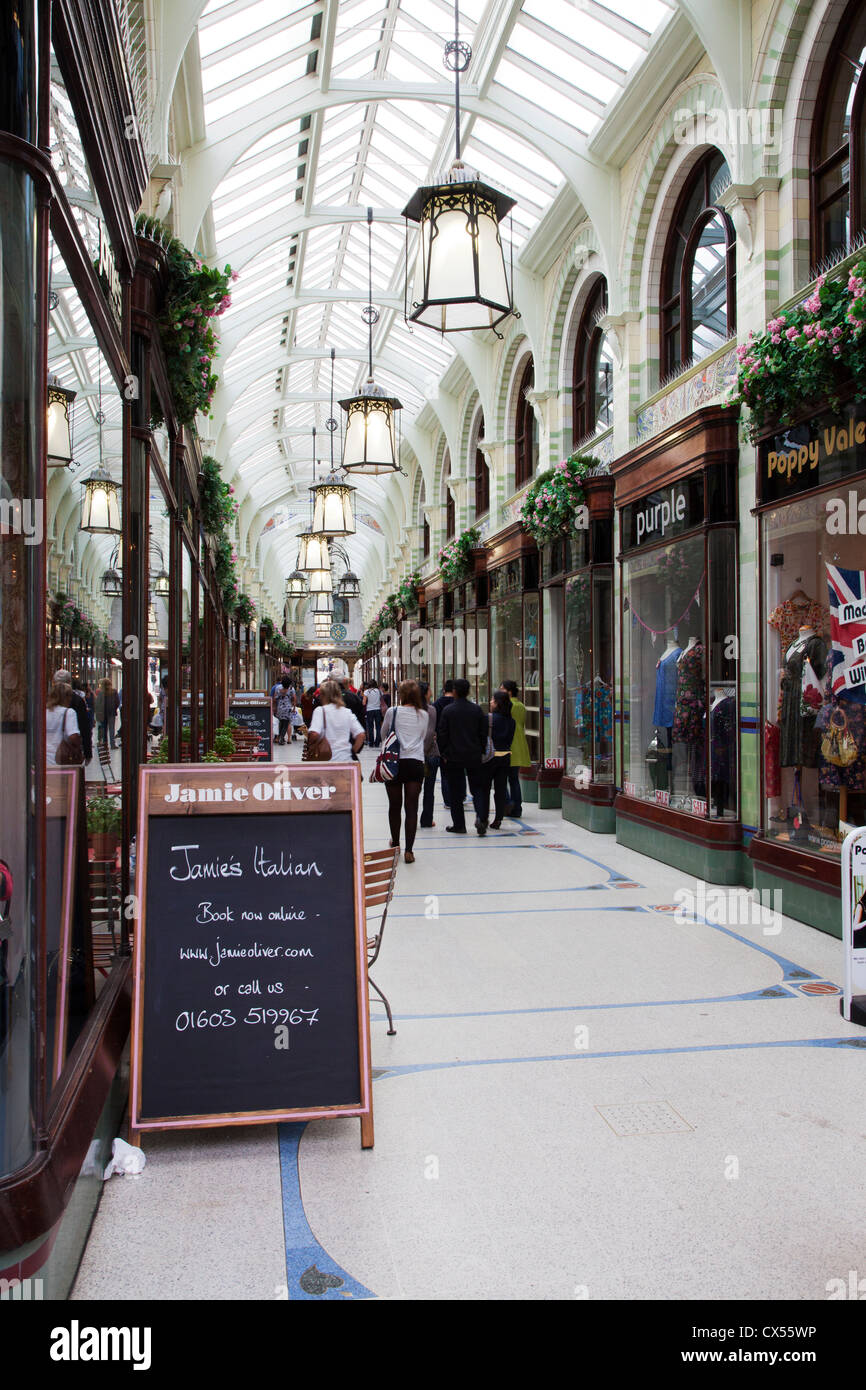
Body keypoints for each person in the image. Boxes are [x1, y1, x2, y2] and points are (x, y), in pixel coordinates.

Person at [380, 680, 434, 863]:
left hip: (394, 762)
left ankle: (395, 844)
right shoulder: (424, 715)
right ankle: (409, 851)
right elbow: (423, 737)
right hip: (415, 762)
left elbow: (383, 734)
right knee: (411, 808)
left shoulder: (392, 712)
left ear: (401, 695)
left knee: (394, 806)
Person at [437, 677, 488, 835]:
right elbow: (483, 732)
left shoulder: (448, 711)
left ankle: (459, 825)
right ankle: (481, 817)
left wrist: (443, 753)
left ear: (454, 692)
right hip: (473, 755)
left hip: (453, 757)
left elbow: (442, 735)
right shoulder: (477, 710)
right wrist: (481, 749)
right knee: (478, 788)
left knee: (455, 791)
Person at [478, 690, 516, 829]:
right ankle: (498, 819)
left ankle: (483, 818)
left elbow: (482, 737)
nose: (490, 702)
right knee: (500, 789)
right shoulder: (512, 721)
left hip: (489, 757)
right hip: (505, 757)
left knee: (485, 789)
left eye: (493, 700)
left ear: (498, 703)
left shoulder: (488, 718)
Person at [307, 679, 365, 763]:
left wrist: (310, 744)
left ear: (323, 696)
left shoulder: (320, 711)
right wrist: (352, 751)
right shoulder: (347, 712)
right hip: (345, 759)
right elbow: (361, 735)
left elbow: (314, 733)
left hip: (326, 760)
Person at [499, 679, 532, 818]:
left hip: (508, 744)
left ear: (509, 691)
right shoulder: (521, 706)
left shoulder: (506, 705)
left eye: (502, 689)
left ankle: (508, 804)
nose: (499, 692)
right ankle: (517, 808)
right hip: (519, 744)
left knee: (501, 779)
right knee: (514, 779)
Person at [54, 669, 92, 764]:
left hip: (49, 753)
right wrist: (87, 752)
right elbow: (84, 727)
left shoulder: (47, 702)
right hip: (69, 752)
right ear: (69, 683)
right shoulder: (77, 701)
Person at [419, 680, 441, 828]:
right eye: (430, 690)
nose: (431, 692)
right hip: (430, 754)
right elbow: (430, 733)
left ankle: (411, 818)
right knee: (429, 789)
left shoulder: (409, 710)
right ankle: (427, 819)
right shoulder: (431, 710)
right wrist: (424, 751)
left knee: (413, 790)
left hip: (414, 755)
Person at [46, 681, 82, 767]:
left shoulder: (44, 712)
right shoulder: (69, 713)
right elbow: (73, 736)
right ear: (66, 697)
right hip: (62, 759)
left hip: (45, 758)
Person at [94, 677, 119, 748]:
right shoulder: (114, 691)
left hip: (103, 713)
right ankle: (112, 744)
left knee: (104, 728)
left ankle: (105, 743)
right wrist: (114, 708)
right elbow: (117, 702)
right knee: (111, 729)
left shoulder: (101, 692)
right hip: (111, 713)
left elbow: (98, 703)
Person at [272, 677, 294, 745]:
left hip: (280, 708)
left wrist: (274, 707)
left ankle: (279, 737)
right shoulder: (291, 689)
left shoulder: (278, 689)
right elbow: (293, 698)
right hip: (288, 708)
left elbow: (275, 699)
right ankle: (281, 738)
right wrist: (293, 706)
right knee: (286, 724)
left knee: (281, 723)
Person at [363, 680, 383, 748]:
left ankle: (371, 742)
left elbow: (364, 702)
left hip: (369, 710)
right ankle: (377, 742)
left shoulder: (366, 692)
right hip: (377, 710)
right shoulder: (379, 691)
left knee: (370, 727)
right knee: (378, 727)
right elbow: (381, 700)